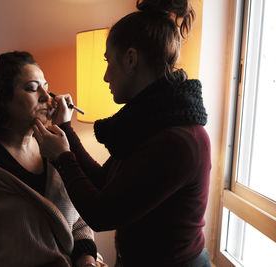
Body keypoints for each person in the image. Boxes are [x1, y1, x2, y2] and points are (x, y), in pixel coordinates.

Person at [32, 0, 212, 266]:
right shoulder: (152, 124)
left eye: (108, 61)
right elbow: (104, 182)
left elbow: (102, 214)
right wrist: (67, 131)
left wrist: (62, 157)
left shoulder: (178, 140)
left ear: (130, 59)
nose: (105, 76)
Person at [0, 51, 107, 267]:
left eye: (46, 86)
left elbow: (78, 219)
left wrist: (86, 260)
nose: (47, 96)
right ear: (2, 99)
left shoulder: (52, 147)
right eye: (33, 88)